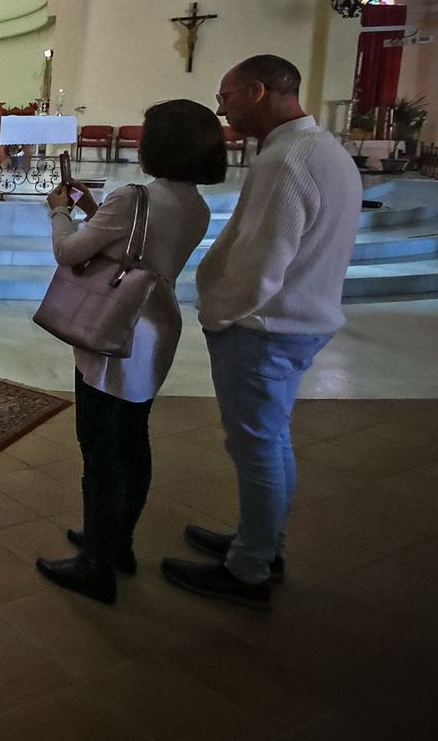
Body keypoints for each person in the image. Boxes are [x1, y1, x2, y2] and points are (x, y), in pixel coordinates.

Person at [162, 55, 361, 609]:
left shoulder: (288, 160)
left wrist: (219, 314)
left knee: (255, 447)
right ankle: (260, 542)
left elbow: (261, 264)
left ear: (256, 91)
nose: (220, 107)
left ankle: (249, 569)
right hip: (297, 319)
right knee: (268, 441)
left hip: (267, 327)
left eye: (225, 96)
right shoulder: (319, 149)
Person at [36, 100, 228, 604]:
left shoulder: (135, 196)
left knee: (99, 446)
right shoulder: (195, 204)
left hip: (115, 328)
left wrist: (59, 212)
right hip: (156, 326)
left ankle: (96, 566)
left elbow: (69, 252)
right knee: (131, 437)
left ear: (158, 144)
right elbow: (139, 249)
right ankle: (115, 541)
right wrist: (94, 214)